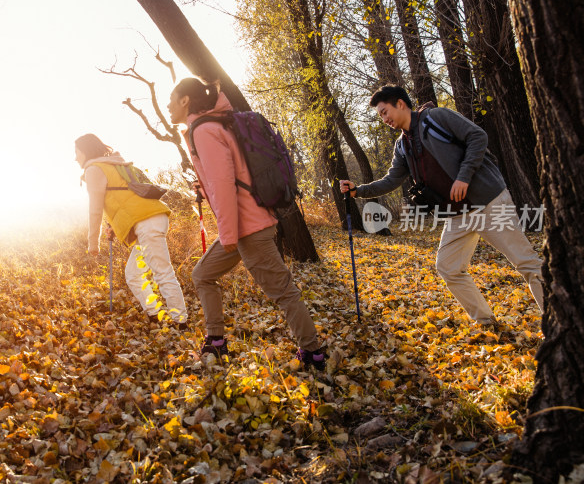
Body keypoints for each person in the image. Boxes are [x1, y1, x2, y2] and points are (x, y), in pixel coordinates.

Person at [340, 84, 543, 326]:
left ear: (400, 104)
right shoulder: (402, 145)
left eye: (385, 111)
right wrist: (358, 191)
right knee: (448, 267)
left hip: (487, 203)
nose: (384, 118)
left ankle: (560, 319)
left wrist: (463, 177)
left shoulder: (437, 118)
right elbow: (392, 179)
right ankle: (486, 321)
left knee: (526, 262)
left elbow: (478, 137)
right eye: (380, 115)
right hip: (457, 215)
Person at [168, 77, 327, 369]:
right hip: (246, 225)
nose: (167, 105)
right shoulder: (210, 126)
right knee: (202, 274)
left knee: (283, 292)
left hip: (248, 228)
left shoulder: (203, 131)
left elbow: (225, 183)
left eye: (171, 99)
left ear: (185, 100)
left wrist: (227, 232)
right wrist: (203, 191)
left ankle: (314, 353)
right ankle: (216, 341)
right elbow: (227, 177)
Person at [75, 133, 188, 329]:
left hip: (147, 221)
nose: (75, 158)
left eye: (77, 152)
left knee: (162, 272)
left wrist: (93, 242)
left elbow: (95, 209)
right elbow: (119, 197)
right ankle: (155, 315)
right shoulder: (114, 164)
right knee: (133, 274)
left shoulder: (94, 169)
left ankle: (181, 323)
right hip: (151, 218)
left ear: (85, 151)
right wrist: (112, 225)